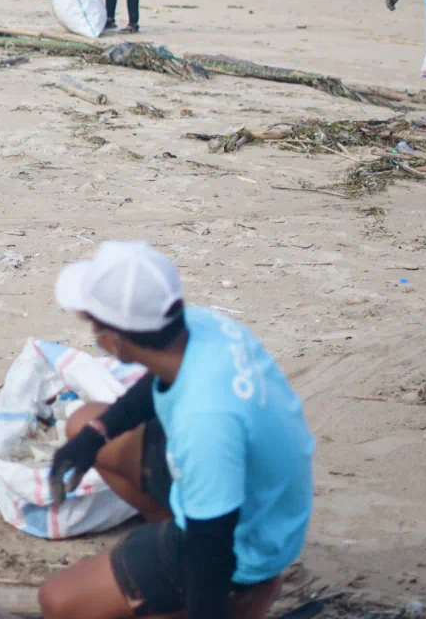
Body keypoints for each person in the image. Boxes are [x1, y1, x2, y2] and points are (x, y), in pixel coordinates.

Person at [39, 241, 313, 619]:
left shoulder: (205, 423)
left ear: (114, 339)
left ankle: (245, 594)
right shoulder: (202, 325)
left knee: (60, 602)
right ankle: (172, 566)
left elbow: (211, 549)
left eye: (93, 323)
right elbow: (157, 382)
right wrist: (96, 435)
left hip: (247, 542)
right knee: (82, 422)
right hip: (263, 498)